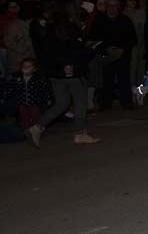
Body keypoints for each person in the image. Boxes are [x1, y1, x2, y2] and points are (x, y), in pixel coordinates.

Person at [27, 13, 98, 146]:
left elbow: (45, 55)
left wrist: (57, 69)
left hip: (56, 75)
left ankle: (37, 127)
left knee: (61, 104)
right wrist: (91, 50)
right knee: (80, 104)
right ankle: (80, 133)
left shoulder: (46, 33)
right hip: (73, 74)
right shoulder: (70, 30)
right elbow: (77, 54)